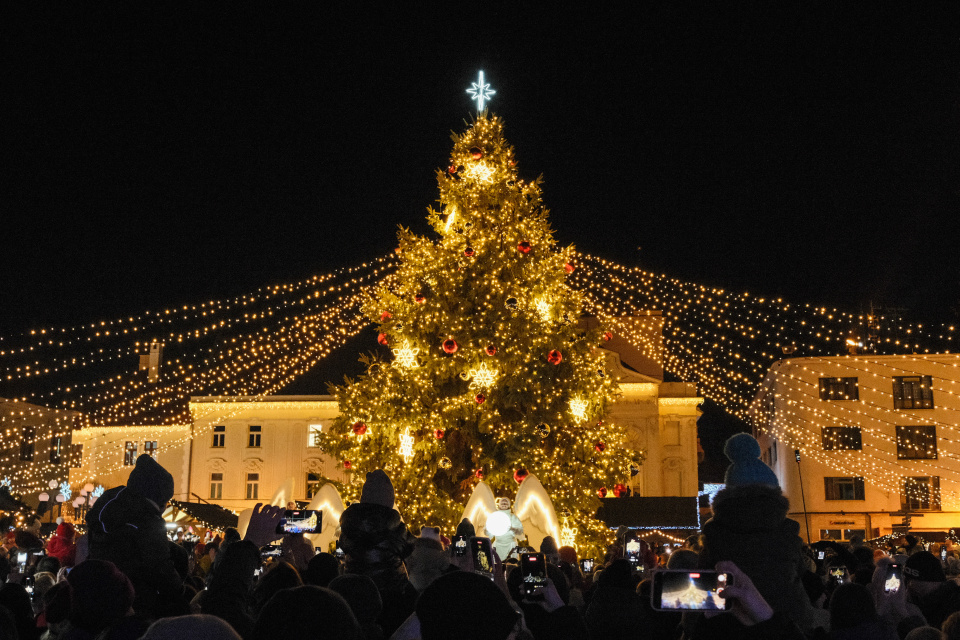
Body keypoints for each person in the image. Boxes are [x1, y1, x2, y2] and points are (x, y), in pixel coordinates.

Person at [698, 433, 816, 632]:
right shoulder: (786, 534)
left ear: (727, 499)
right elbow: (804, 578)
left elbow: (703, 588)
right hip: (785, 624)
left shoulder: (715, 535)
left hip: (728, 626)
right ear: (775, 497)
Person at [85, 453, 183, 618]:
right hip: (135, 603)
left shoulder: (106, 511)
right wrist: (180, 589)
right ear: (158, 496)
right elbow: (159, 567)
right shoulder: (148, 520)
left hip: (99, 597)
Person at [338, 470, 417, 636]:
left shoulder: (350, 525)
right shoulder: (396, 527)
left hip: (356, 589)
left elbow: (344, 545)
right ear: (389, 500)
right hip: (391, 590)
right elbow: (409, 546)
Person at [484, 497, 524, 562]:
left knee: (512, 564)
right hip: (498, 546)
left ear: (509, 505)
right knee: (497, 565)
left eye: (506, 503)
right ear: (499, 505)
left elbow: (520, 531)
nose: (504, 504)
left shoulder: (513, 517)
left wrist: (511, 529)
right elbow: (487, 532)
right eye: (502, 503)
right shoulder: (494, 517)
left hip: (511, 546)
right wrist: (489, 529)